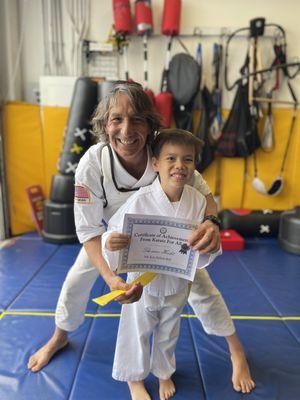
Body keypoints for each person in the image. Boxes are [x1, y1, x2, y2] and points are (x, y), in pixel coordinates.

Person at [27, 81, 254, 394]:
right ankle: (60, 335)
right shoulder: (93, 164)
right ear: (104, 127)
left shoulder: (165, 154)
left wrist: (211, 222)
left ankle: (235, 349)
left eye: (136, 119)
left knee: (203, 288)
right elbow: (90, 231)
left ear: (150, 126)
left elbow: (205, 195)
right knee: (77, 280)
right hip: (113, 239)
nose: (126, 129)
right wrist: (110, 278)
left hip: (166, 243)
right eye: (116, 119)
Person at [101, 129, 222, 400]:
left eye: (188, 160)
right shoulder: (140, 199)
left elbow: (205, 246)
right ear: (155, 163)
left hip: (178, 281)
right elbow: (111, 231)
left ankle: (164, 371)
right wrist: (111, 242)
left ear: (194, 166)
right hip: (141, 283)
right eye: (171, 158)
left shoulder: (198, 201)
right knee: (137, 330)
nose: (180, 165)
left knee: (170, 330)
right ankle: (134, 379)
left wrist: (206, 247)